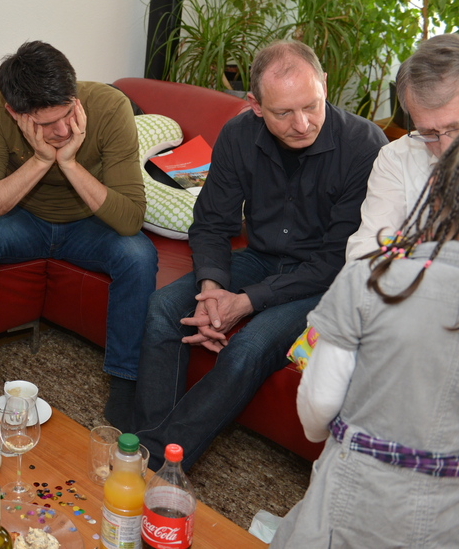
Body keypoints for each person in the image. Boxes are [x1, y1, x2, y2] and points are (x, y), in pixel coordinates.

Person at [132, 40, 387, 470]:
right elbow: (211, 222)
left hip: (321, 280)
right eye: (283, 113)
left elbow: (336, 261)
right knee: (163, 308)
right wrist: (212, 289)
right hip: (260, 257)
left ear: (325, 85)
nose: (302, 124)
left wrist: (245, 302)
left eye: (311, 105)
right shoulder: (238, 135)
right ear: (254, 105)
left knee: (248, 346)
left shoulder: (364, 145)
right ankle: (148, 442)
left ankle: (159, 464)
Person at [0, 40, 157, 430]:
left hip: (89, 226)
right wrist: (42, 158)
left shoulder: (109, 107)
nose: (62, 130)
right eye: (46, 125)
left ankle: (126, 379)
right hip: (25, 221)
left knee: (138, 255)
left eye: (67, 114)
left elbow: (131, 220)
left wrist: (70, 163)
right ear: (15, 113)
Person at [271, 139, 459, 548]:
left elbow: (320, 401)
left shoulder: (371, 280)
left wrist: (326, 435)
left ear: (435, 192)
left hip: (358, 491)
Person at [346, 33, 459, 260]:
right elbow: (364, 253)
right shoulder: (397, 157)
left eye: (455, 127)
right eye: (428, 133)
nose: (446, 148)